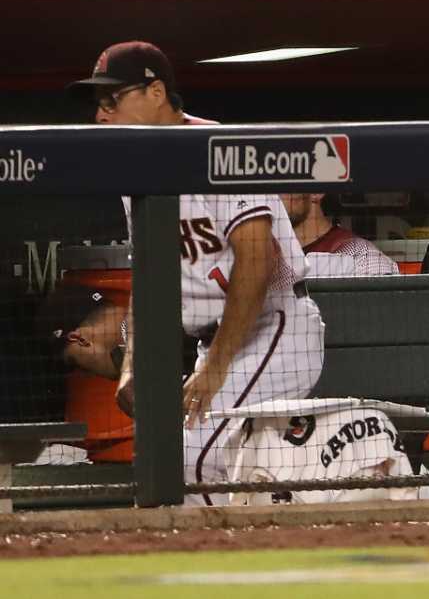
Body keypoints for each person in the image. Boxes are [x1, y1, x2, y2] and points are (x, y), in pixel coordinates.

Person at [73, 41, 324, 506]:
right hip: (219, 340)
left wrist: (213, 367)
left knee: (195, 451)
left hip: (276, 329)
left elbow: (258, 262)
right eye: (98, 106)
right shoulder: (136, 172)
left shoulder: (220, 148)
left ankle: (223, 563)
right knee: (166, 454)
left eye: (112, 101)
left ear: (155, 92)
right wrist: (133, 364)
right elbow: (151, 278)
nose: (101, 117)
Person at [285, 193, 400, 278]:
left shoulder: (361, 257)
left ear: (316, 192)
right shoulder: (270, 258)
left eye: (280, 184)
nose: (271, 197)